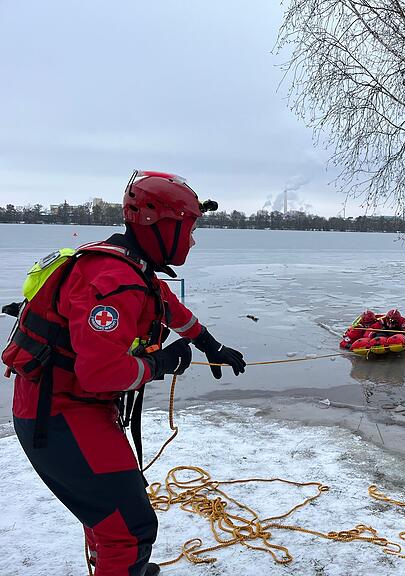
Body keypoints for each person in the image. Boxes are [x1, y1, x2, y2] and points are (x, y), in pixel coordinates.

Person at [2, 170, 247, 576]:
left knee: (110, 518)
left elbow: (170, 308)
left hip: (67, 408)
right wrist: (159, 364)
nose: (191, 240)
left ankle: (116, 569)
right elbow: (99, 373)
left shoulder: (129, 265)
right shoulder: (116, 281)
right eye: (187, 229)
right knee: (130, 529)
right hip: (60, 416)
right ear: (161, 226)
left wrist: (211, 345)